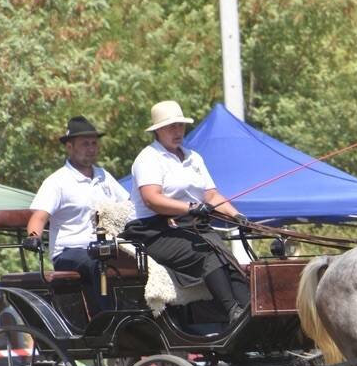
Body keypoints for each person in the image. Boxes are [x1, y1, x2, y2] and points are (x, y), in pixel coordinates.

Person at [121, 100, 250, 324]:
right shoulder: (148, 158)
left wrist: (236, 216)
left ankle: (250, 311)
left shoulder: (194, 157)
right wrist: (190, 208)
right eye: (171, 127)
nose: (177, 131)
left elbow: (211, 196)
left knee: (228, 257)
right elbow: (152, 199)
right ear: (158, 130)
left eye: (180, 126)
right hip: (153, 231)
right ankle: (231, 312)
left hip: (189, 226)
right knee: (206, 252)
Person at [25, 116, 131, 312]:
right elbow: (39, 217)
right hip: (69, 251)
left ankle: (139, 316)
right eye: (84, 144)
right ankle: (108, 319)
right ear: (70, 147)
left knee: (140, 259)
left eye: (94, 143)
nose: (91, 148)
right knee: (97, 261)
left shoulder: (104, 177)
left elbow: (128, 208)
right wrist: (33, 237)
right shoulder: (57, 181)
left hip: (105, 247)